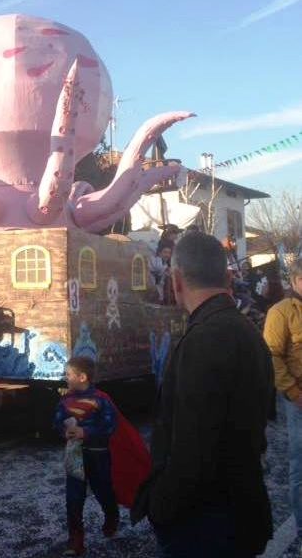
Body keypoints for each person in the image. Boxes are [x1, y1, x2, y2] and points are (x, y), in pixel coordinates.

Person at [132, 232, 274, 557]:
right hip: (242, 508)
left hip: (205, 523)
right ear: (227, 277)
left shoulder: (203, 339)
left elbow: (192, 448)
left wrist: (160, 506)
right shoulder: (248, 331)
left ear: (177, 280)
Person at [53, 356, 119, 556]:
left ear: (82, 377)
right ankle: (75, 540)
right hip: (75, 455)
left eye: (69, 375)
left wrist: (86, 433)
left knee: (103, 491)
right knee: (73, 498)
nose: (66, 378)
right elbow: (57, 421)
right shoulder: (65, 401)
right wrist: (63, 431)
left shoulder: (101, 400)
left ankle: (111, 515)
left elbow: (110, 425)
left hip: (98, 455)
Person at [264, 257, 302, 536]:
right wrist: (294, 393)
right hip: (299, 399)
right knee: (300, 465)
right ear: (295, 281)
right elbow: (273, 357)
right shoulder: (281, 312)